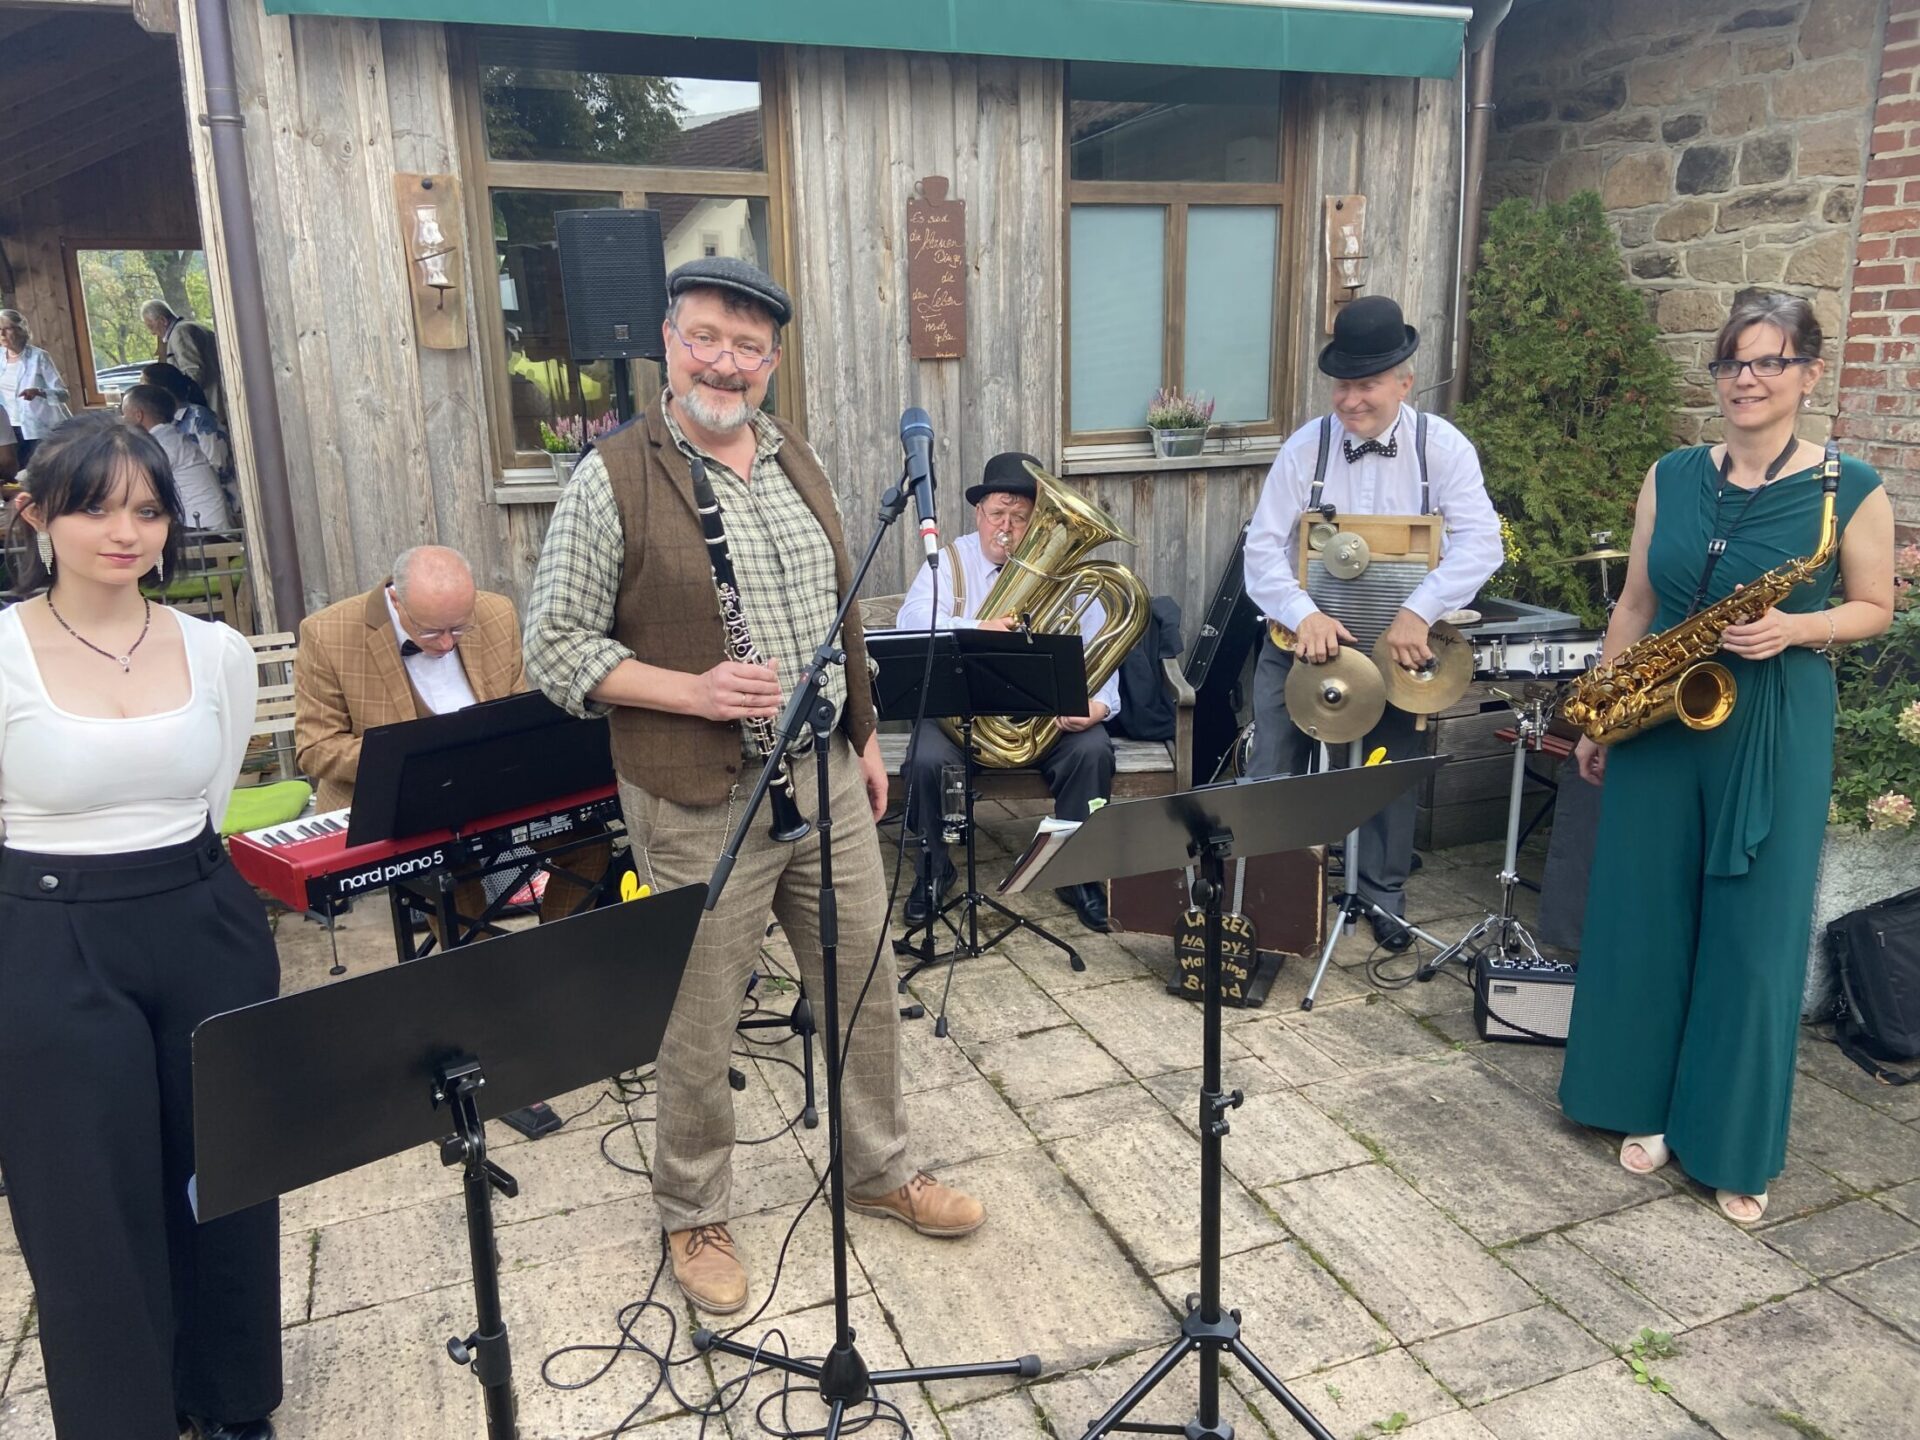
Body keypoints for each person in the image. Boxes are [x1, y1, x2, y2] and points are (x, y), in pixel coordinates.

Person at [524, 256, 984, 1316]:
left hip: (824, 774)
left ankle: (878, 1169)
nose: (725, 364)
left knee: (864, 983)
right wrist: (689, 690)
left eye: (748, 347)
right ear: (668, 342)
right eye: (706, 339)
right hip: (700, 793)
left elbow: (840, 612)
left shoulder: (795, 457)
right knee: (699, 1015)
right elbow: (553, 647)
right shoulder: (613, 477)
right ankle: (694, 1212)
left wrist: (864, 738)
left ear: (771, 362)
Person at [1559, 289, 1895, 1226]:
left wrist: (1798, 627)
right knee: (1644, 914)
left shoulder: (1851, 487)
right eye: (1732, 362)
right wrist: (1601, 713)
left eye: (1769, 360)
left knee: (1754, 935)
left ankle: (1729, 1139)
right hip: (1665, 714)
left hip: (1775, 720)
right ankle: (1639, 1102)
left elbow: (1875, 608)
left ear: (1809, 374)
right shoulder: (1670, 474)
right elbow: (1636, 603)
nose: (1746, 379)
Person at [0, 411, 280, 1440]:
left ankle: (233, 1395)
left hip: (202, 919)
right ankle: (125, 1414)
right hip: (48, 934)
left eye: (149, 510)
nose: (126, 533)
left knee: (229, 1172)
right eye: (96, 508)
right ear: (36, 514)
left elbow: (211, 794)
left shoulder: (215, 651)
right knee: (85, 1201)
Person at [1243, 295, 1502, 949]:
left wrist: (1417, 610)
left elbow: (1482, 544)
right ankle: (1270, 896)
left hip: (1396, 647)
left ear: (1404, 382)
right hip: (1301, 645)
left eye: (1367, 385)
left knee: (1387, 770)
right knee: (1274, 766)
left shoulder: (1440, 448)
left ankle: (1382, 896)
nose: (1350, 399)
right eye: (1342, 384)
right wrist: (1305, 614)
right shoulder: (1306, 449)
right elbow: (1261, 550)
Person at [293, 544, 601, 926]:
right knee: (453, 882)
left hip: (494, 791)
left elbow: (515, 712)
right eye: (430, 631)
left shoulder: (496, 612)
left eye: (458, 628)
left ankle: (558, 950)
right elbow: (315, 747)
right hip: (406, 808)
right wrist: (407, 762)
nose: (446, 643)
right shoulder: (328, 634)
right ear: (396, 601)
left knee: (589, 843)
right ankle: (484, 963)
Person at [894, 451, 1119, 932]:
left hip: (1044, 719)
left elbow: (1101, 644)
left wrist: (1100, 704)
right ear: (979, 514)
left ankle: (1076, 871)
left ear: (1038, 523)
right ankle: (934, 866)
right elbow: (910, 622)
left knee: (1093, 751)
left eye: (1020, 517)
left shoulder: (1068, 573)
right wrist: (978, 627)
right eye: (998, 513)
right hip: (961, 717)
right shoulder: (949, 562)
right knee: (926, 760)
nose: (1006, 527)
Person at [143, 361, 242, 526]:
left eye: (144, 387)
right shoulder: (162, 423)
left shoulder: (199, 418)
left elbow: (217, 463)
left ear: (161, 391)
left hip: (220, 504)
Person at [122, 383, 231, 530]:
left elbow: (135, 487)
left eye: (125, 414)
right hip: (204, 525)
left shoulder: (162, 446)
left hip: (203, 531)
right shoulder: (172, 438)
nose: (123, 420)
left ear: (138, 416)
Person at [0, 309, 70, 467]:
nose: (2, 334)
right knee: (14, 472)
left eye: (7, 328)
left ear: (20, 329)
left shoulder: (39, 357)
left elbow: (63, 394)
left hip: (38, 430)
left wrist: (39, 392)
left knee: (37, 471)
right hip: (9, 428)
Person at [143, 301, 224, 419]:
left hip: (212, 403)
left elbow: (194, 373)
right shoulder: (188, 327)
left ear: (163, 320)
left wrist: (178, 400)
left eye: (151, 326)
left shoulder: (180, 333)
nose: (152, 333)